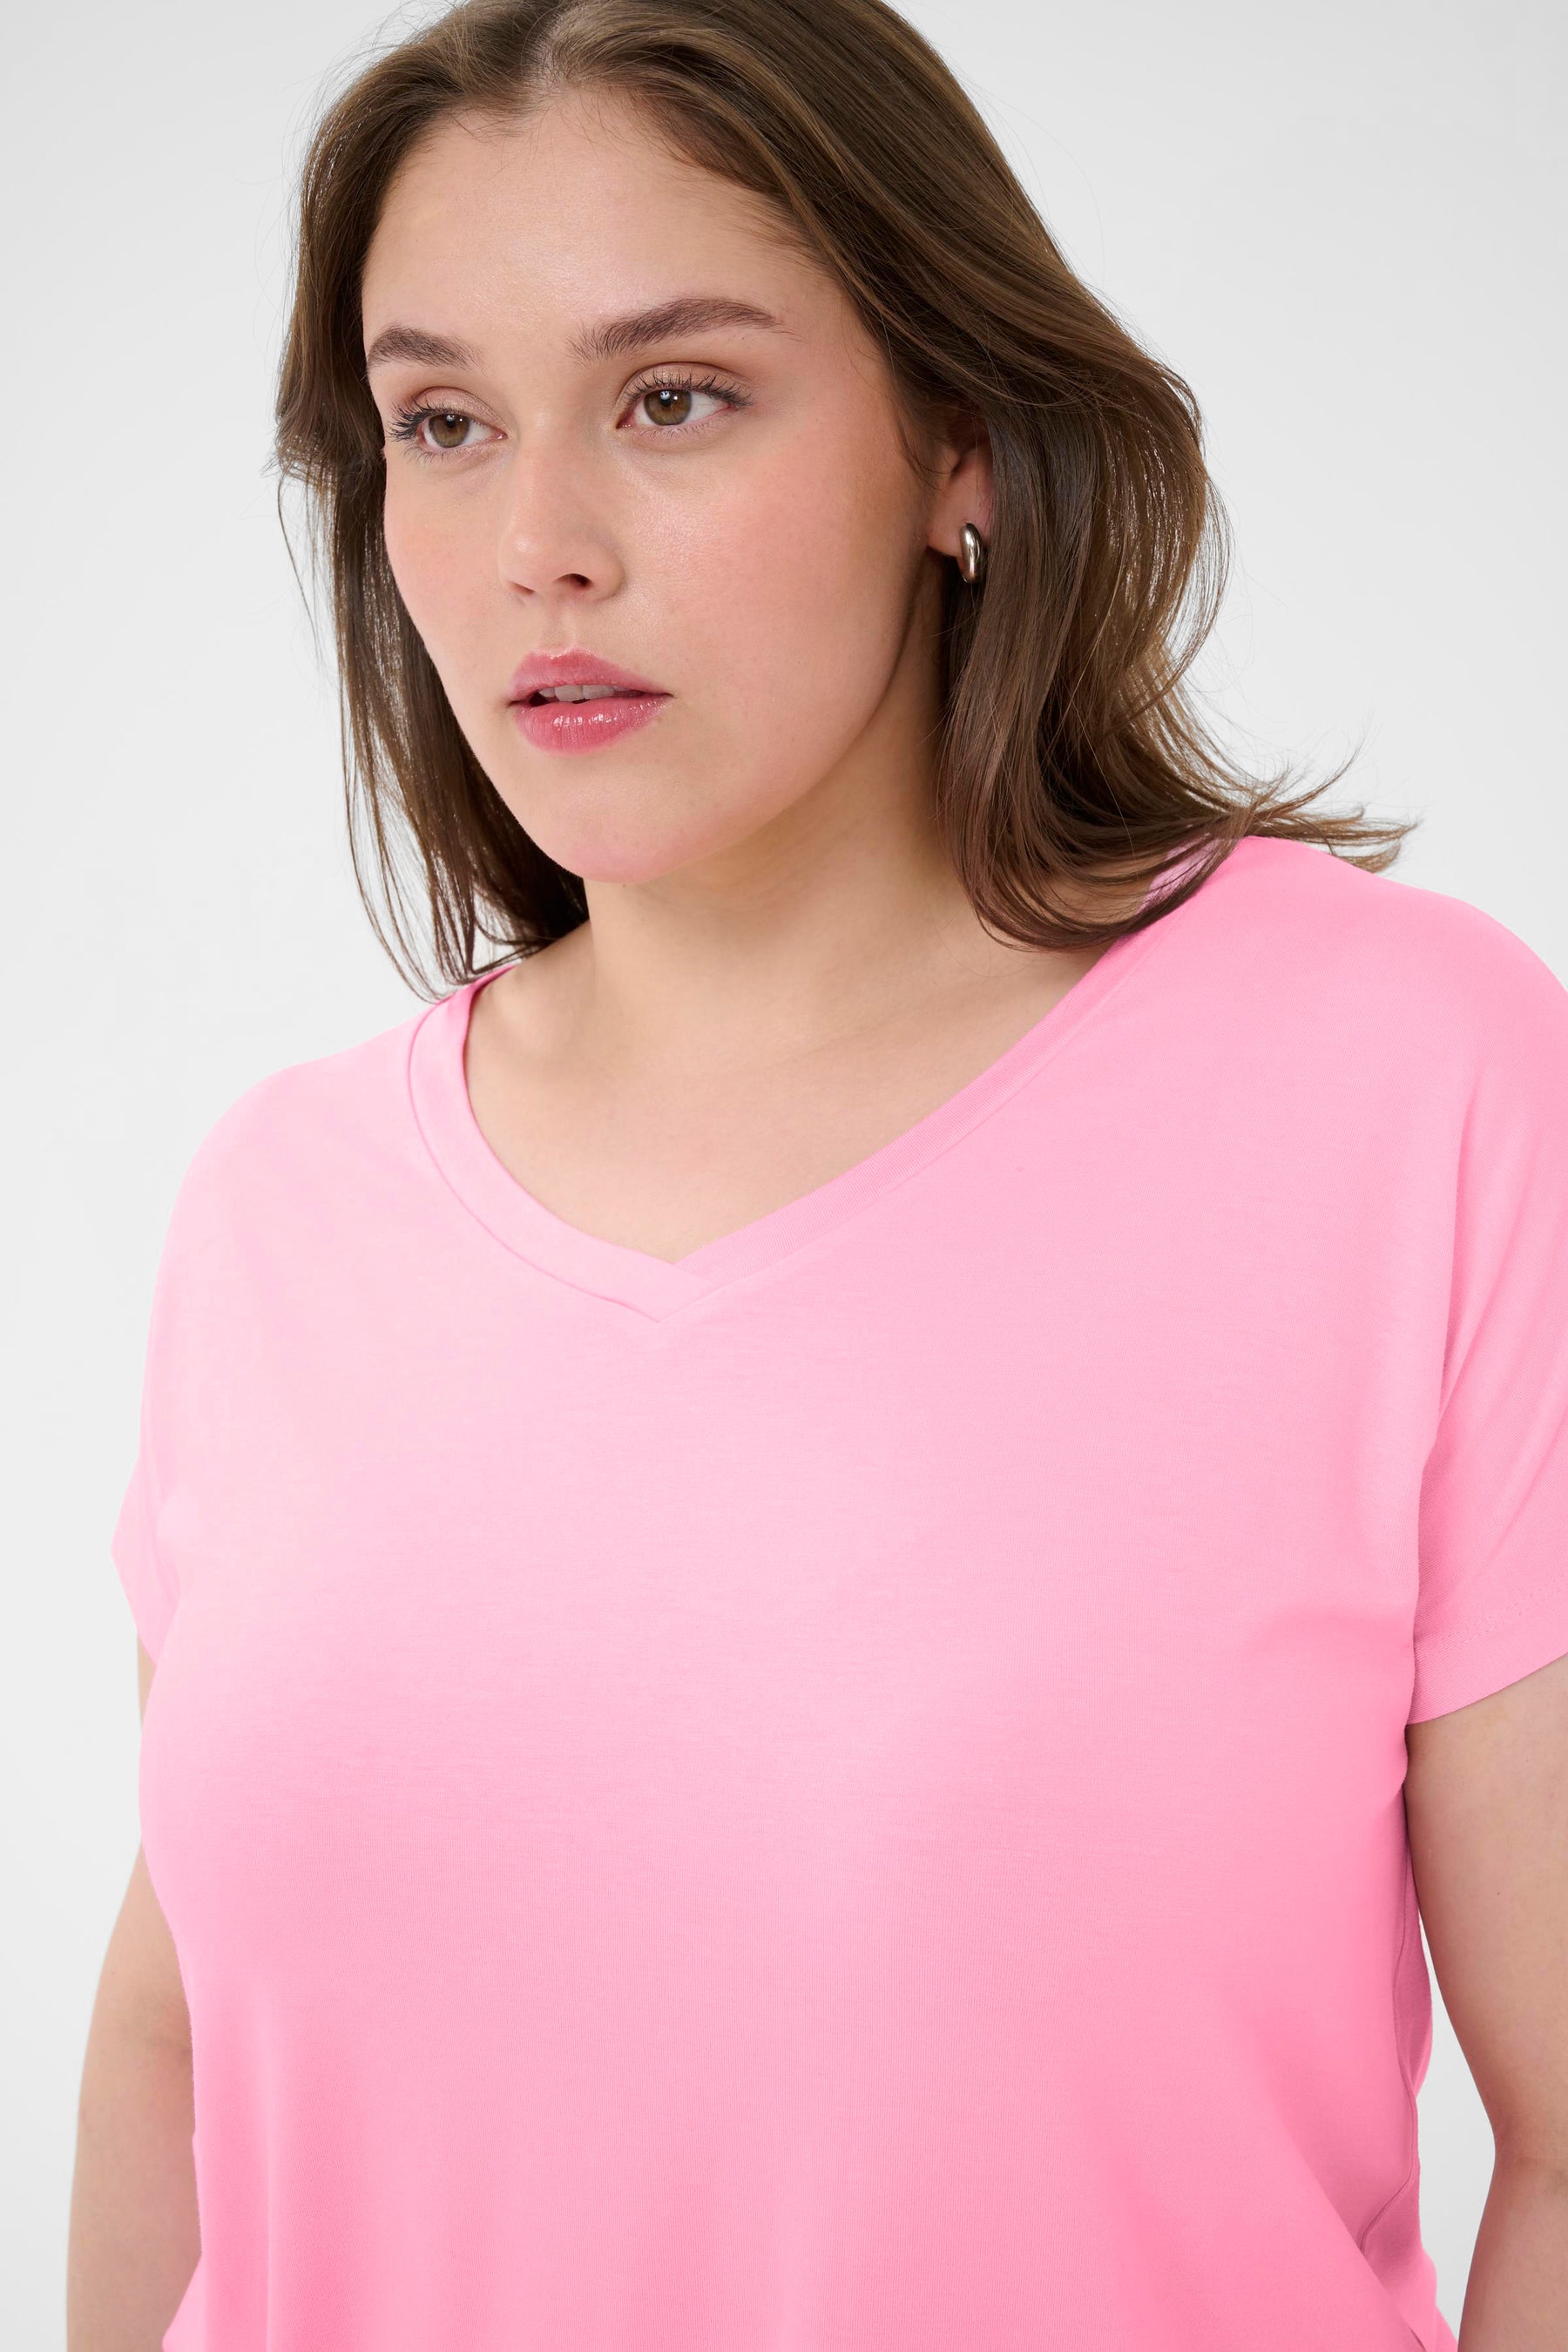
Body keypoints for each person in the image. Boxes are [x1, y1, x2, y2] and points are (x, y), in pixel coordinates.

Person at [68, 1, 1568, 2347]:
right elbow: (182, 2046)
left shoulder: (1409, 1077)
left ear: (959, 440)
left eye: (676, 398)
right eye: (442, 424)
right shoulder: (283, 1208)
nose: (538, 545)